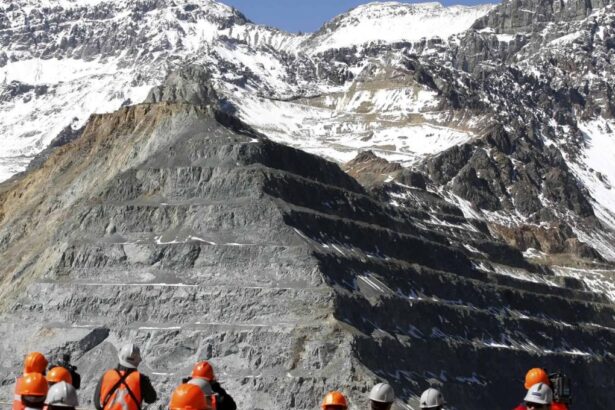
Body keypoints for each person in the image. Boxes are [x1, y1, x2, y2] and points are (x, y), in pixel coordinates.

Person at [93, 343, 157, 410]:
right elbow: (151, 399)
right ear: (137, 361)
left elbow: (97, 403)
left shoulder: (106, 375)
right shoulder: (141, 379)